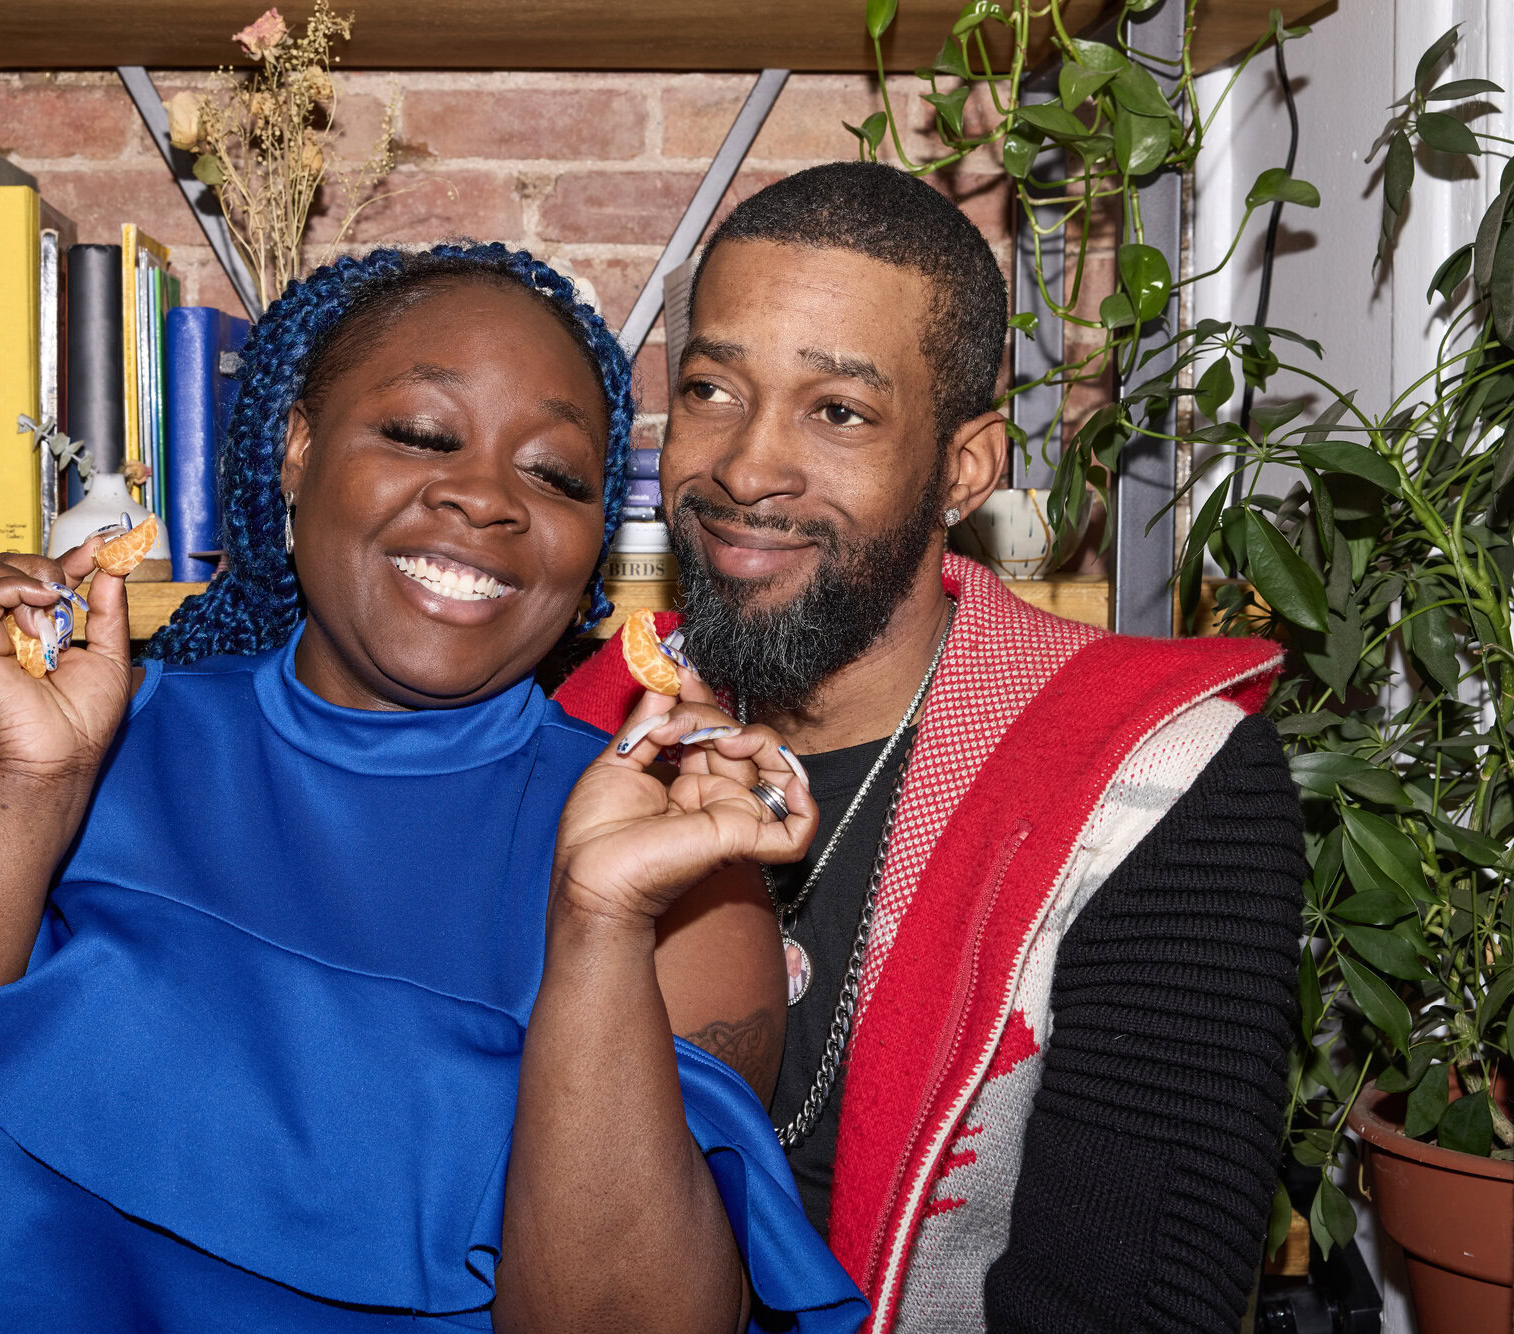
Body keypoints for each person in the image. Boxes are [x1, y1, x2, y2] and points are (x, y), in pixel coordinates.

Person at [0, 243, 867, 1333]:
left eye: (554, 474)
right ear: (292, 453)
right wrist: (33, 784)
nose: (483, 499)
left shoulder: (660, 861)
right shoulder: (84, 734)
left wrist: (594, 921)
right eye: (417, 431)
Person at [554, 162, 1307, 1334]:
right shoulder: (570, 728)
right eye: (711, 389)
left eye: (837, 411)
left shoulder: (1159, 786)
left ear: (965, 468)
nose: (746, 467)